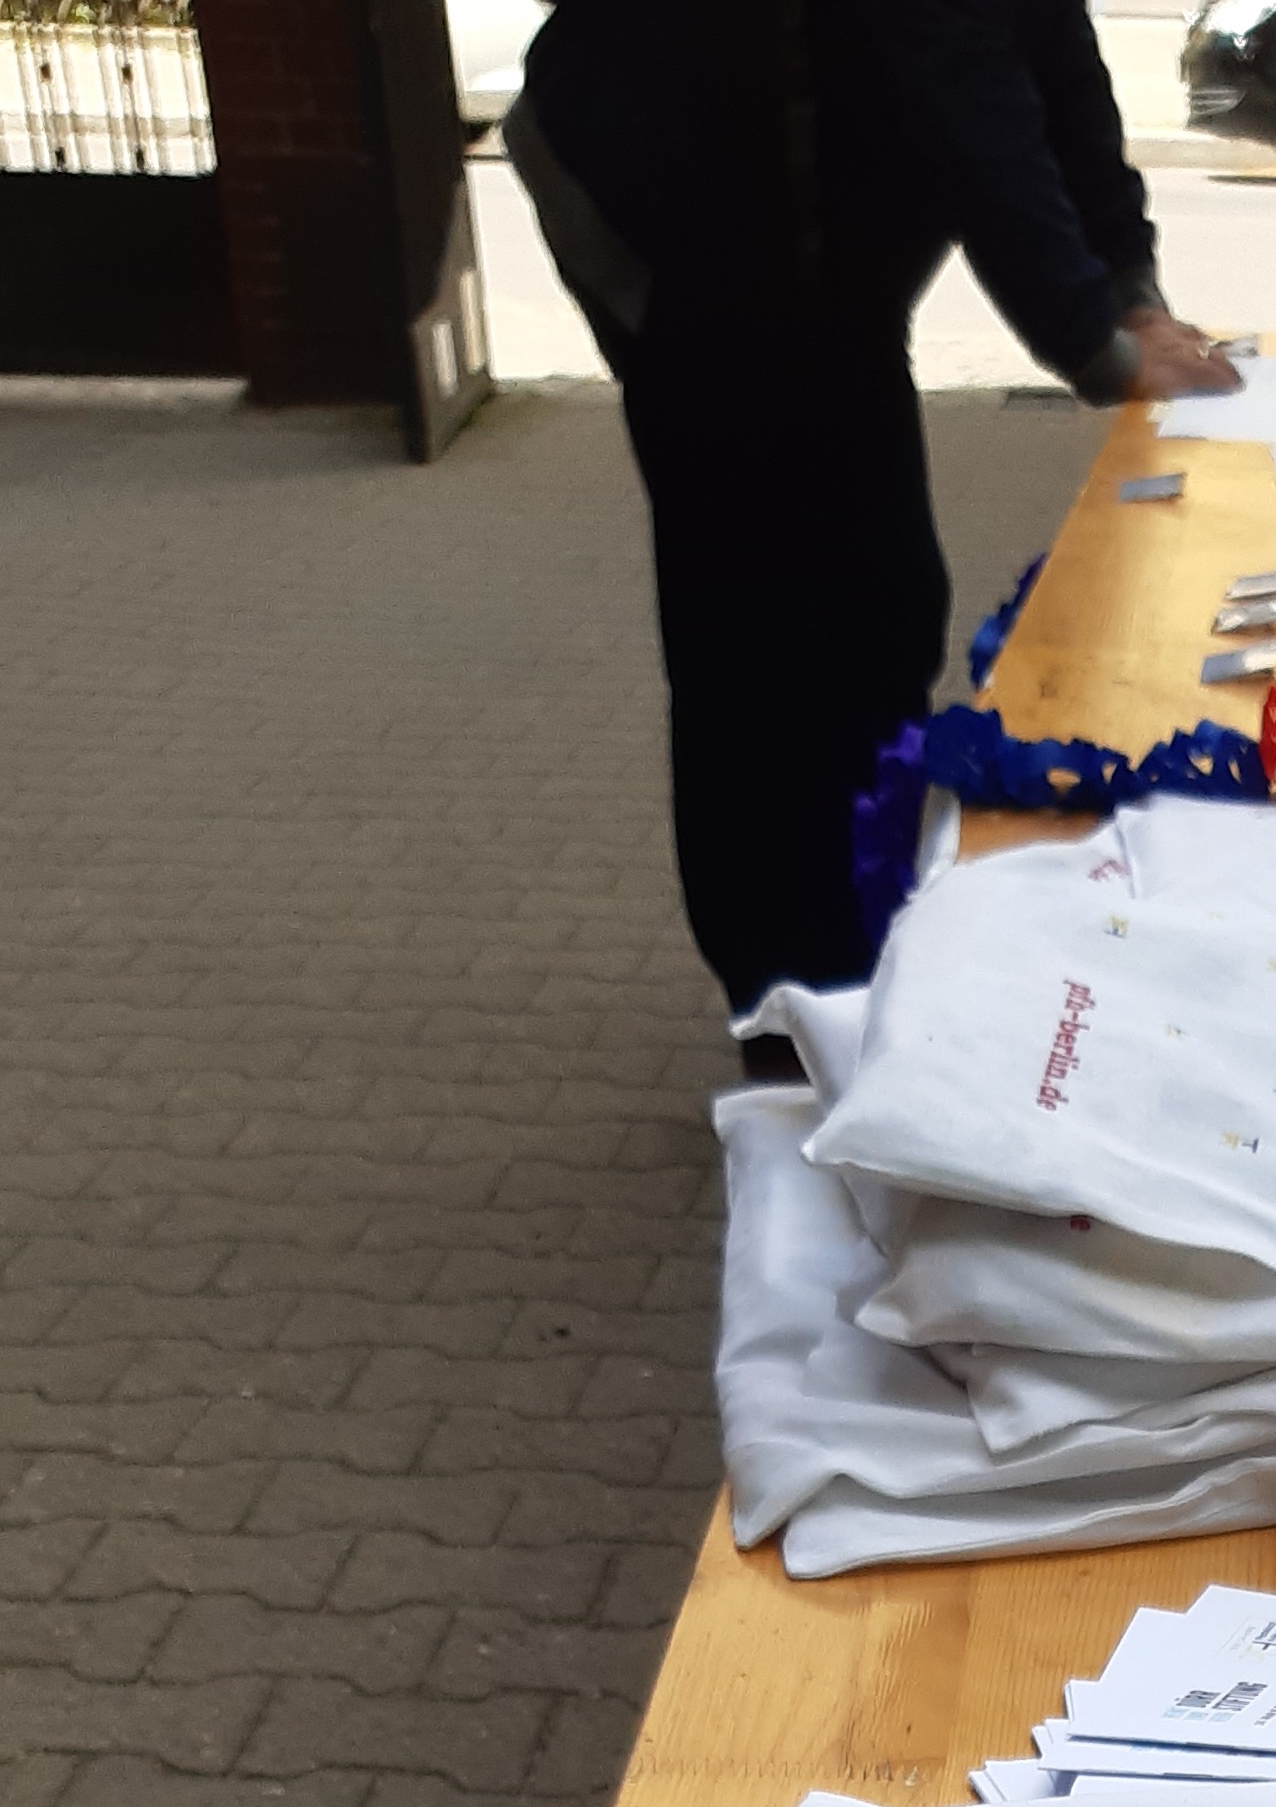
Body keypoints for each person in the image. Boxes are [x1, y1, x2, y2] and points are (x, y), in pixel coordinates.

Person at [508, 0, 1238, 1059]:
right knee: (756, 636)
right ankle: (785, 1014)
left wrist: (1128, 285)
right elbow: (960, 69)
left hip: (811, 249)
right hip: (670, 212)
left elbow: (1047, 46)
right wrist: (1094, 339)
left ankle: (855, 951)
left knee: (882, 608)